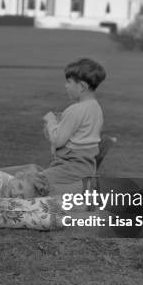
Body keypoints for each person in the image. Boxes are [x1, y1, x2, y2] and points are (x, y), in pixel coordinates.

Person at [41, 58, 106, 194]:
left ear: (82, 86)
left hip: (72, 166)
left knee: (37, 182)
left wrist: (51, 121)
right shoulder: (96, 107)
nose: (65, 86)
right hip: (87, 165)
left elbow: (58, 140)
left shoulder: (75, 110)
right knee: (42, 177)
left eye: (69, 82)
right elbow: (80, 132)